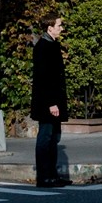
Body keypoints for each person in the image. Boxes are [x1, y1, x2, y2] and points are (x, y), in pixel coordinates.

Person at [31, 14, 68, 188]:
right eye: (59, 25)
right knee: (45, 137)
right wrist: (52, 103)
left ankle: (52, 175)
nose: (61, 28)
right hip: (47, 103)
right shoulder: (42, 47)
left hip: (54, 101)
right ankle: (43, 176)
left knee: (54, 138)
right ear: (49, 28)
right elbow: (44, 78)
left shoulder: (53, 44)